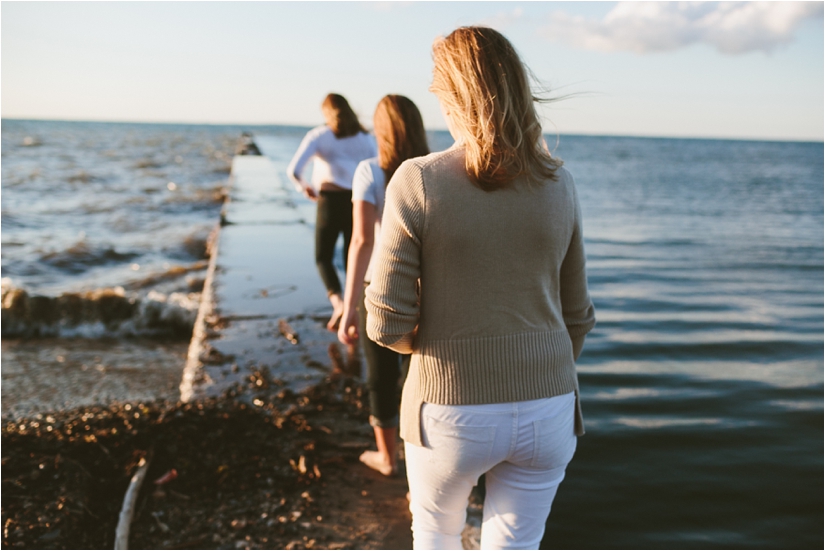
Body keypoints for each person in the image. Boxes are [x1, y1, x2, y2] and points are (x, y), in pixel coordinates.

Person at [364, 27, 596, 550]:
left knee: (437, 536)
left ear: (454, 95)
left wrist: (441, 348)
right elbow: (577, 315)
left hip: (449, 407)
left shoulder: (417, 179)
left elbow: (385, 320)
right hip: (551, 402)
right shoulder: (559, 182)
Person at [337, 95, 430, 477]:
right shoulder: (432, 170)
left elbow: (361, 241)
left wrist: (346, 308)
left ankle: (387, 458)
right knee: (419, 378)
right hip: (425, 287)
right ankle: (419, 470)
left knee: (380, 375)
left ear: (381, 130)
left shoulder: (369, 172)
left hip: (379, 286)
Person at [287, 93, 377, 331]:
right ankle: (355, 309)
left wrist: (305, 187)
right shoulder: (366, 137)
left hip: (328, 200)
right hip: (358, 201)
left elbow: (294, 169)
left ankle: (338, 304)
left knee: (323, 256)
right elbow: (377, 167)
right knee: (354, 257)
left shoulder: (319, 135)